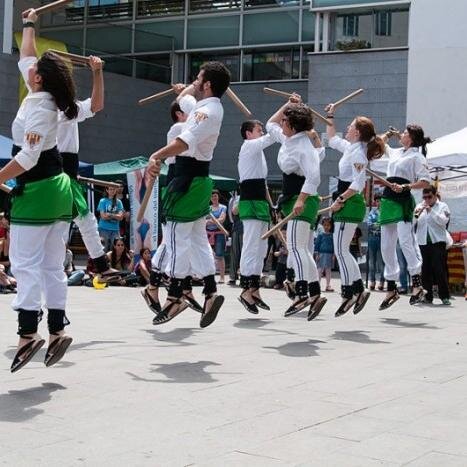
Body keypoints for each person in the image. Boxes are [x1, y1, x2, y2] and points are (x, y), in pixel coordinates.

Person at [0, 9, 75, 372]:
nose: (26, 66)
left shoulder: (38, 104)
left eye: (33, 69)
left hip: (40, 188)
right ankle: (57, 329)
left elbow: (28, 157)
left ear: (40, 79)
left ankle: (28, 333)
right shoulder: (45, 95)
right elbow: (27, 55)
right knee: (50, 266)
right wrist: (29, 23)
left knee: (25, 264)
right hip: (56, 189)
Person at [147, 61, 231, 328]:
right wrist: (190, 88)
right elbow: (184, 102)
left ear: (208, 84)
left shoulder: (207, 112)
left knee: (176, 238)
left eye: (199, 78)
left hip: (187, 178)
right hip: (198, 178)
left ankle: (175, 294)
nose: (195, 81)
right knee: (196, 239)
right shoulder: (207, 107)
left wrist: (157, 155)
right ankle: (209, 291)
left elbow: (184, 142)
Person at [266, 94, 327, 321]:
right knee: (300, 248)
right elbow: (269, 124)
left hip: (304, 199)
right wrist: (289, 105)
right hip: (295, 198)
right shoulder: (289, 139)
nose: (281, 122)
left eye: (285, 120)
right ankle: (314, 292)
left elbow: (314, 177)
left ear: (291, 125)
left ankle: (302, 293)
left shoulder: (304, 146)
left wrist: (300, 201)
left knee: (296, 247)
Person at [325, 102, 385, 317]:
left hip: (349, 202)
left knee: (341, 251)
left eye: (350, 126)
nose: (347, 128)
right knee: (341, 251)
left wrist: (340, 198)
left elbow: (358, 184)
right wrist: (330, 115)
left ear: (357, 132)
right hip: (346, 202)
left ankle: (355, 291)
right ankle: (352, 292)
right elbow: (331, 138)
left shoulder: (359, 153)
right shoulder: (351, 148)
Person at [142, 98, 201, 316]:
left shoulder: (186, 124)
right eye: (190, 111)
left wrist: (185, 90)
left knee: (181, 243)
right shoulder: (179, 127)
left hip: (187, 183)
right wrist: (187, 92)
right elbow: (196, 123)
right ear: (179, 113)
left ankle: (182, 288)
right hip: (177, 183)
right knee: (172, 243)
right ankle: (154, 288)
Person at [372, 125, 432, 309]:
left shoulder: (417, 156)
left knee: (406, 241)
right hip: (388, 199)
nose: (402, 134)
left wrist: (406, 187)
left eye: (405, 133)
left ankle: (417, 284)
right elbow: (379, 144)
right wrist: (389, 134)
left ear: (412, 138)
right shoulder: (397, 152)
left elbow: (425, 181)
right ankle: (391, 287)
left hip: (403, 199)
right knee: (386, 246)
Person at [237, 119, 275, 314]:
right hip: (250, 200)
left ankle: (254, 288)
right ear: (248, 134)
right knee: (251, 244)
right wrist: (285, 111)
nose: (261, 133)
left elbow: (264, 183)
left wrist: (271, 205)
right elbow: (271, 137)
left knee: (262, 247)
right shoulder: (248, 146)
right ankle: (245, 288)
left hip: (260, 201)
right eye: (258, 130)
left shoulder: (258, 152)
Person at [415, 185, 451, 305]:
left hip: (437, 242)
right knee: (425, 270)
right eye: (424, 197)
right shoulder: (420, 206)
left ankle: (444, 296)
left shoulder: (443, 206)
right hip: (422, 242)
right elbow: (413, 222)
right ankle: (427, 296)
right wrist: (417, 215)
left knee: (439, 269)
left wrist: (431, 211)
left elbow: (443, 221)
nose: (427, 200)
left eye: (429, 197)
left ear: (435, 195)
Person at [206, 190, 227, 284]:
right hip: (207, 233)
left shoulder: (223, 207)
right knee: (207, 255)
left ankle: (222, 277)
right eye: (212, 196)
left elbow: (222, 219)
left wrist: (210, 221)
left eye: (215, 196)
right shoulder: (207, 208)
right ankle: (208, 277)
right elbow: (204, 221)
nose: (214, 198)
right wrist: (215, 221)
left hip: (219, 233)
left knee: (219, 255)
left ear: (218, 197)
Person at [97, 185, 124, 252]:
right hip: (103, 228)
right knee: (103, 249)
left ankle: (113, 262)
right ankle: (103, 262)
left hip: (115, 229)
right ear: (107, 190)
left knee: (115, 250)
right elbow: (103, 216)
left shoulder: (119, 202)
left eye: (114, 189)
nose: (112, 191)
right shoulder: (102, 201)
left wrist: (110, 215)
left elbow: (121, 217)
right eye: (110, 189)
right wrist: (116, 216)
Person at [367, 195, 385, 291]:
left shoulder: (386, 212)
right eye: (377, 201)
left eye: (380, 201)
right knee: (371, 262)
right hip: (372, 238)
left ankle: (382, 282)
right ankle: (372, 281)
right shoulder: (372, 212)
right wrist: (379, 224)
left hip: (382, 238)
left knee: (381, 262)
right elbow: (369, 224)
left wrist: (376, 224)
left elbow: (386, 224)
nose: (379, 203)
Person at [315, 217, 334, 292]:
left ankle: (328, 285)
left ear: (331, 226)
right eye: (325, 225)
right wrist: (317, 254)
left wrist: (334, 254)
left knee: (328, 270)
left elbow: (333, 245)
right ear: (322, 225)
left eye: (328, 225)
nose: (326, 227)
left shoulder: (332, 235)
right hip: (321, 254)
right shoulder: (320, 235)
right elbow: (317, 244)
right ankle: (317, 285)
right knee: (319, 269)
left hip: (329, 254)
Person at [227, 192, 243, 286]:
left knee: (243, 253)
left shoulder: (242, 198)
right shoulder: (234, 198)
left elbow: (235, 211)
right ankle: (233, 277)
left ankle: (243, 276)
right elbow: (233, 212)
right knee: (234, 252)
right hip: (236, 226)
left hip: (244, 226)